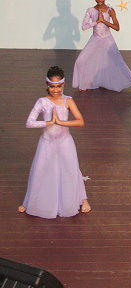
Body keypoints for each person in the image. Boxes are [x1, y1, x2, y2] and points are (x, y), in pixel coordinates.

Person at [19, 66, 91, 218]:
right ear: (47, 85)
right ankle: (29, 202)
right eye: (52, 86)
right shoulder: (42, 102)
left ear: (63, 85)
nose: (55, 90)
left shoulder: (68, 101)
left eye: (58, 86)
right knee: (39, 171)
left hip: (65, 142)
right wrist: (49, 122)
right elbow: (29, 123)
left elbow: (80, 121)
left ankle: (83, 199)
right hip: (46, 143)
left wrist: (60, 122)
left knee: (71, 170)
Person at [72, 0, 131, 94]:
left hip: (107, 40)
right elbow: (84, 27)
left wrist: (104, 21)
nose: (99, 0)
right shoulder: (90, 10)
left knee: (119, 62)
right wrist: (96, 21)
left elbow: (117, 27)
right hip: (95, 39)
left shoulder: (110, 10)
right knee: (80, 60)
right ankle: (85, 82)